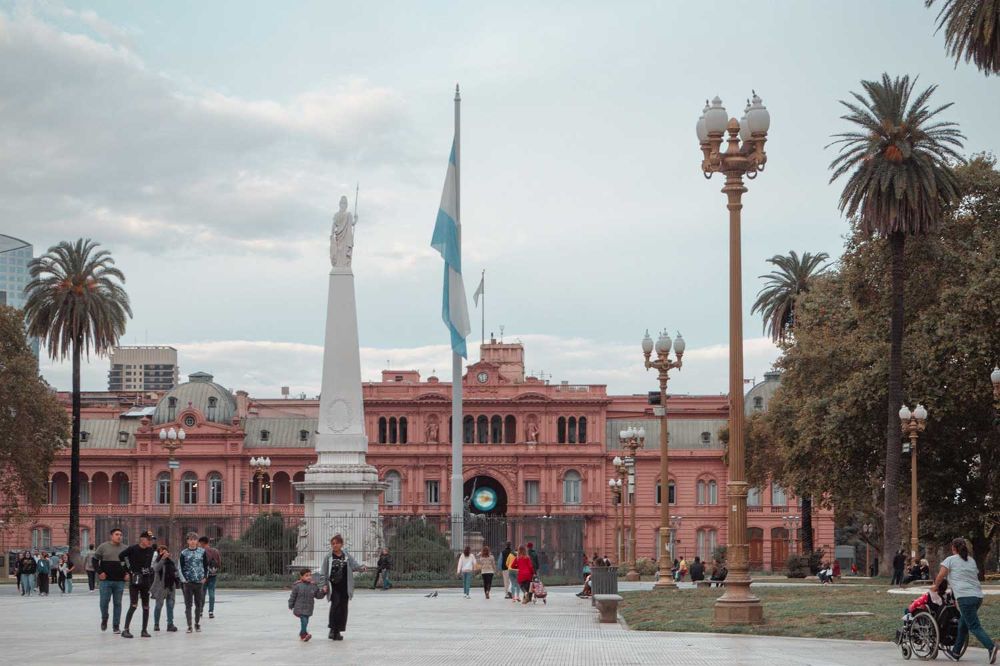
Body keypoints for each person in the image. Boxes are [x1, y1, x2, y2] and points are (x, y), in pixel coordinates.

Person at [934, 538, 998, 663]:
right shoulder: (971, 560)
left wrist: (935, 587)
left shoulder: (950, 560)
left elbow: (941, 576)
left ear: (953, 548)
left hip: (965, 597)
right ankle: (956, 653)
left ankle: (991, 647)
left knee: (974, 626)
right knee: (963, 624)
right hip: (977, 596)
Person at [317, 534, 365, 641]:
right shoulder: (328, 557)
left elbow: (354, 565)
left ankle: (338, 630)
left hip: (345, 585)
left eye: (337, 543)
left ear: (341, 544)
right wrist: (323, 585)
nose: (335, 545)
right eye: (333, 543)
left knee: (343, 608)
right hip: (333, 586)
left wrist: (362, 568)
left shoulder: (346, 555)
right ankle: (333, 629)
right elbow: (323, 572)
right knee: (335, 605)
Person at [119, 530, 157, 638]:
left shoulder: (151, 550)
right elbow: (121, 557)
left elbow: (152, 563)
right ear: (142, 539)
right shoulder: (133, 549)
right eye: (148, 539)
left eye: (151, 540)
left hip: (145, 580)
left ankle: (144, 630)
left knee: (146, 606)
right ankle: (126, 629)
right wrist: (127, 570)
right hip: (135, 579)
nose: (150, 542)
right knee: (134, 604)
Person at [95, 527, 128, 633]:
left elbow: (129, 563)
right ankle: (104, 618)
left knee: (118, 603)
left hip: (119, 581)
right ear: (111, 536)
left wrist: (128, 573)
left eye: (121, 535)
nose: (119, 536)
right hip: (106, 581)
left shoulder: (125, 548)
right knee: (104, 602)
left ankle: (116, 625)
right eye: (117, 534)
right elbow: (94, 561)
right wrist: (100, 572)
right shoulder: (103, 547)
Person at [178, 532, 208, 634]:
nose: (193, 541)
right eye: (190, 539)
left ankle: (197, 623)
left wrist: (205, 577)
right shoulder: (183, 553)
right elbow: (180, 567)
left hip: (199, 582)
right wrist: (184, 580)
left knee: (198, 604)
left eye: (194, 539)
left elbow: (205, 565)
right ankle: (189, 625)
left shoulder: (202, 552)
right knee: (188, 605)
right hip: (188, 582)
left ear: (197, 541)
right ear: (187, 541)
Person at [288, 568, 326, 642]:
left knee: (305, 621)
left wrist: (323, 592)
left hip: (309, 608)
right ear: (301, 576)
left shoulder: (314, 585)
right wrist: (291, 604)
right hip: (299, 608)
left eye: (310, 575)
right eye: (306, 575)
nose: (309, 577)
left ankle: (303, 632)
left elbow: (318, 596)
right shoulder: (297, 585)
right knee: (304, 621)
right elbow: (293, 596)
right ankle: (303, 635)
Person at [151, 544, 179, 632]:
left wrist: (175, 575)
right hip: (160, 587)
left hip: (170, 586)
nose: (163, 552)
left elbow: (176, 571)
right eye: (161, 551)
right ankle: (156, 624)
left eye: (165, 550)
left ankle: (170, 624)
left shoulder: (171, 561)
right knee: (159, 606)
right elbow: (156, 568)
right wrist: (162, 559)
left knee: (170, 606)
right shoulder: (157, 561)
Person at [198, 536, 221, 619]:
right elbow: (219, 563)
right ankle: (211, 612)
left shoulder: (200, 551)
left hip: (203, 575)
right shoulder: (215, 551)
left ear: (202, 543)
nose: (199, 545)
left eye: (200, 543)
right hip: (213, 575)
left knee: (202, 593)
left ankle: (200, 611)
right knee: (212, 593)